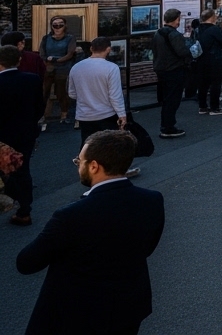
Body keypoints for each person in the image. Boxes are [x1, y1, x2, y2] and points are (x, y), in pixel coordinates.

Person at [17, 129, 165, 335]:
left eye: (80, 162)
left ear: (94, 166)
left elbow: (26, 262)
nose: (78, 166)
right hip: (128, 307)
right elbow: (147, 247)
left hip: (76, 314)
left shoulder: (70, 216)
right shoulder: (153, 200)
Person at [0, 45, 43, 226]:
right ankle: (25, 210)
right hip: (25, 133)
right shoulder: (32, 80)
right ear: (18, 60)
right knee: (23, 169)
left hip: (2, 135)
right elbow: (39, 107)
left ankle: (13, 196)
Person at [68, 37, 128, 145]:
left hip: (84, 114)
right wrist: (121, 114)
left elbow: (72, 93)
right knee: (107, 145)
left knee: (87, 143)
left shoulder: (76, 67)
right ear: (108, 49)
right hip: (106, 113)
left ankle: (83, 160)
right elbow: (115, 95)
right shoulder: (112, 68)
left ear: (91, 48)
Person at [151, 8, 193, 139]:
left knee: (166, 99)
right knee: (173, 100)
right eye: (178, 19)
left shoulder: (158, 33)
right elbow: (182, 52)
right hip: (174, 69)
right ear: (176, 20)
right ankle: (168, 127)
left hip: (161, 69)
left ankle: (166, 125)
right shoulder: (174, 35)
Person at [38, 16, 79, 129]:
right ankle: (42, 116)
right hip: (48, 68)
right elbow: (42, 52)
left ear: (65, 26)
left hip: (63, 68)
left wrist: (56, 59)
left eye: (60, 25)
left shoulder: (70, 38)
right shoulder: (46, 38)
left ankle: (64, 115)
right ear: (51, 26)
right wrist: (47, 60)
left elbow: (70, 53)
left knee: (62, 92)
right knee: (43, 92)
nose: (57, 27)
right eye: (55, 25)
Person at [193, 9, 222, 116]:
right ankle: (215, 107)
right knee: (215, 84)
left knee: (203, 84)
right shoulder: (214, 29)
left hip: (200, 59)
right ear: (212, 17)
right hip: (215, 60)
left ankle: (203, 106)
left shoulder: (197, 29)